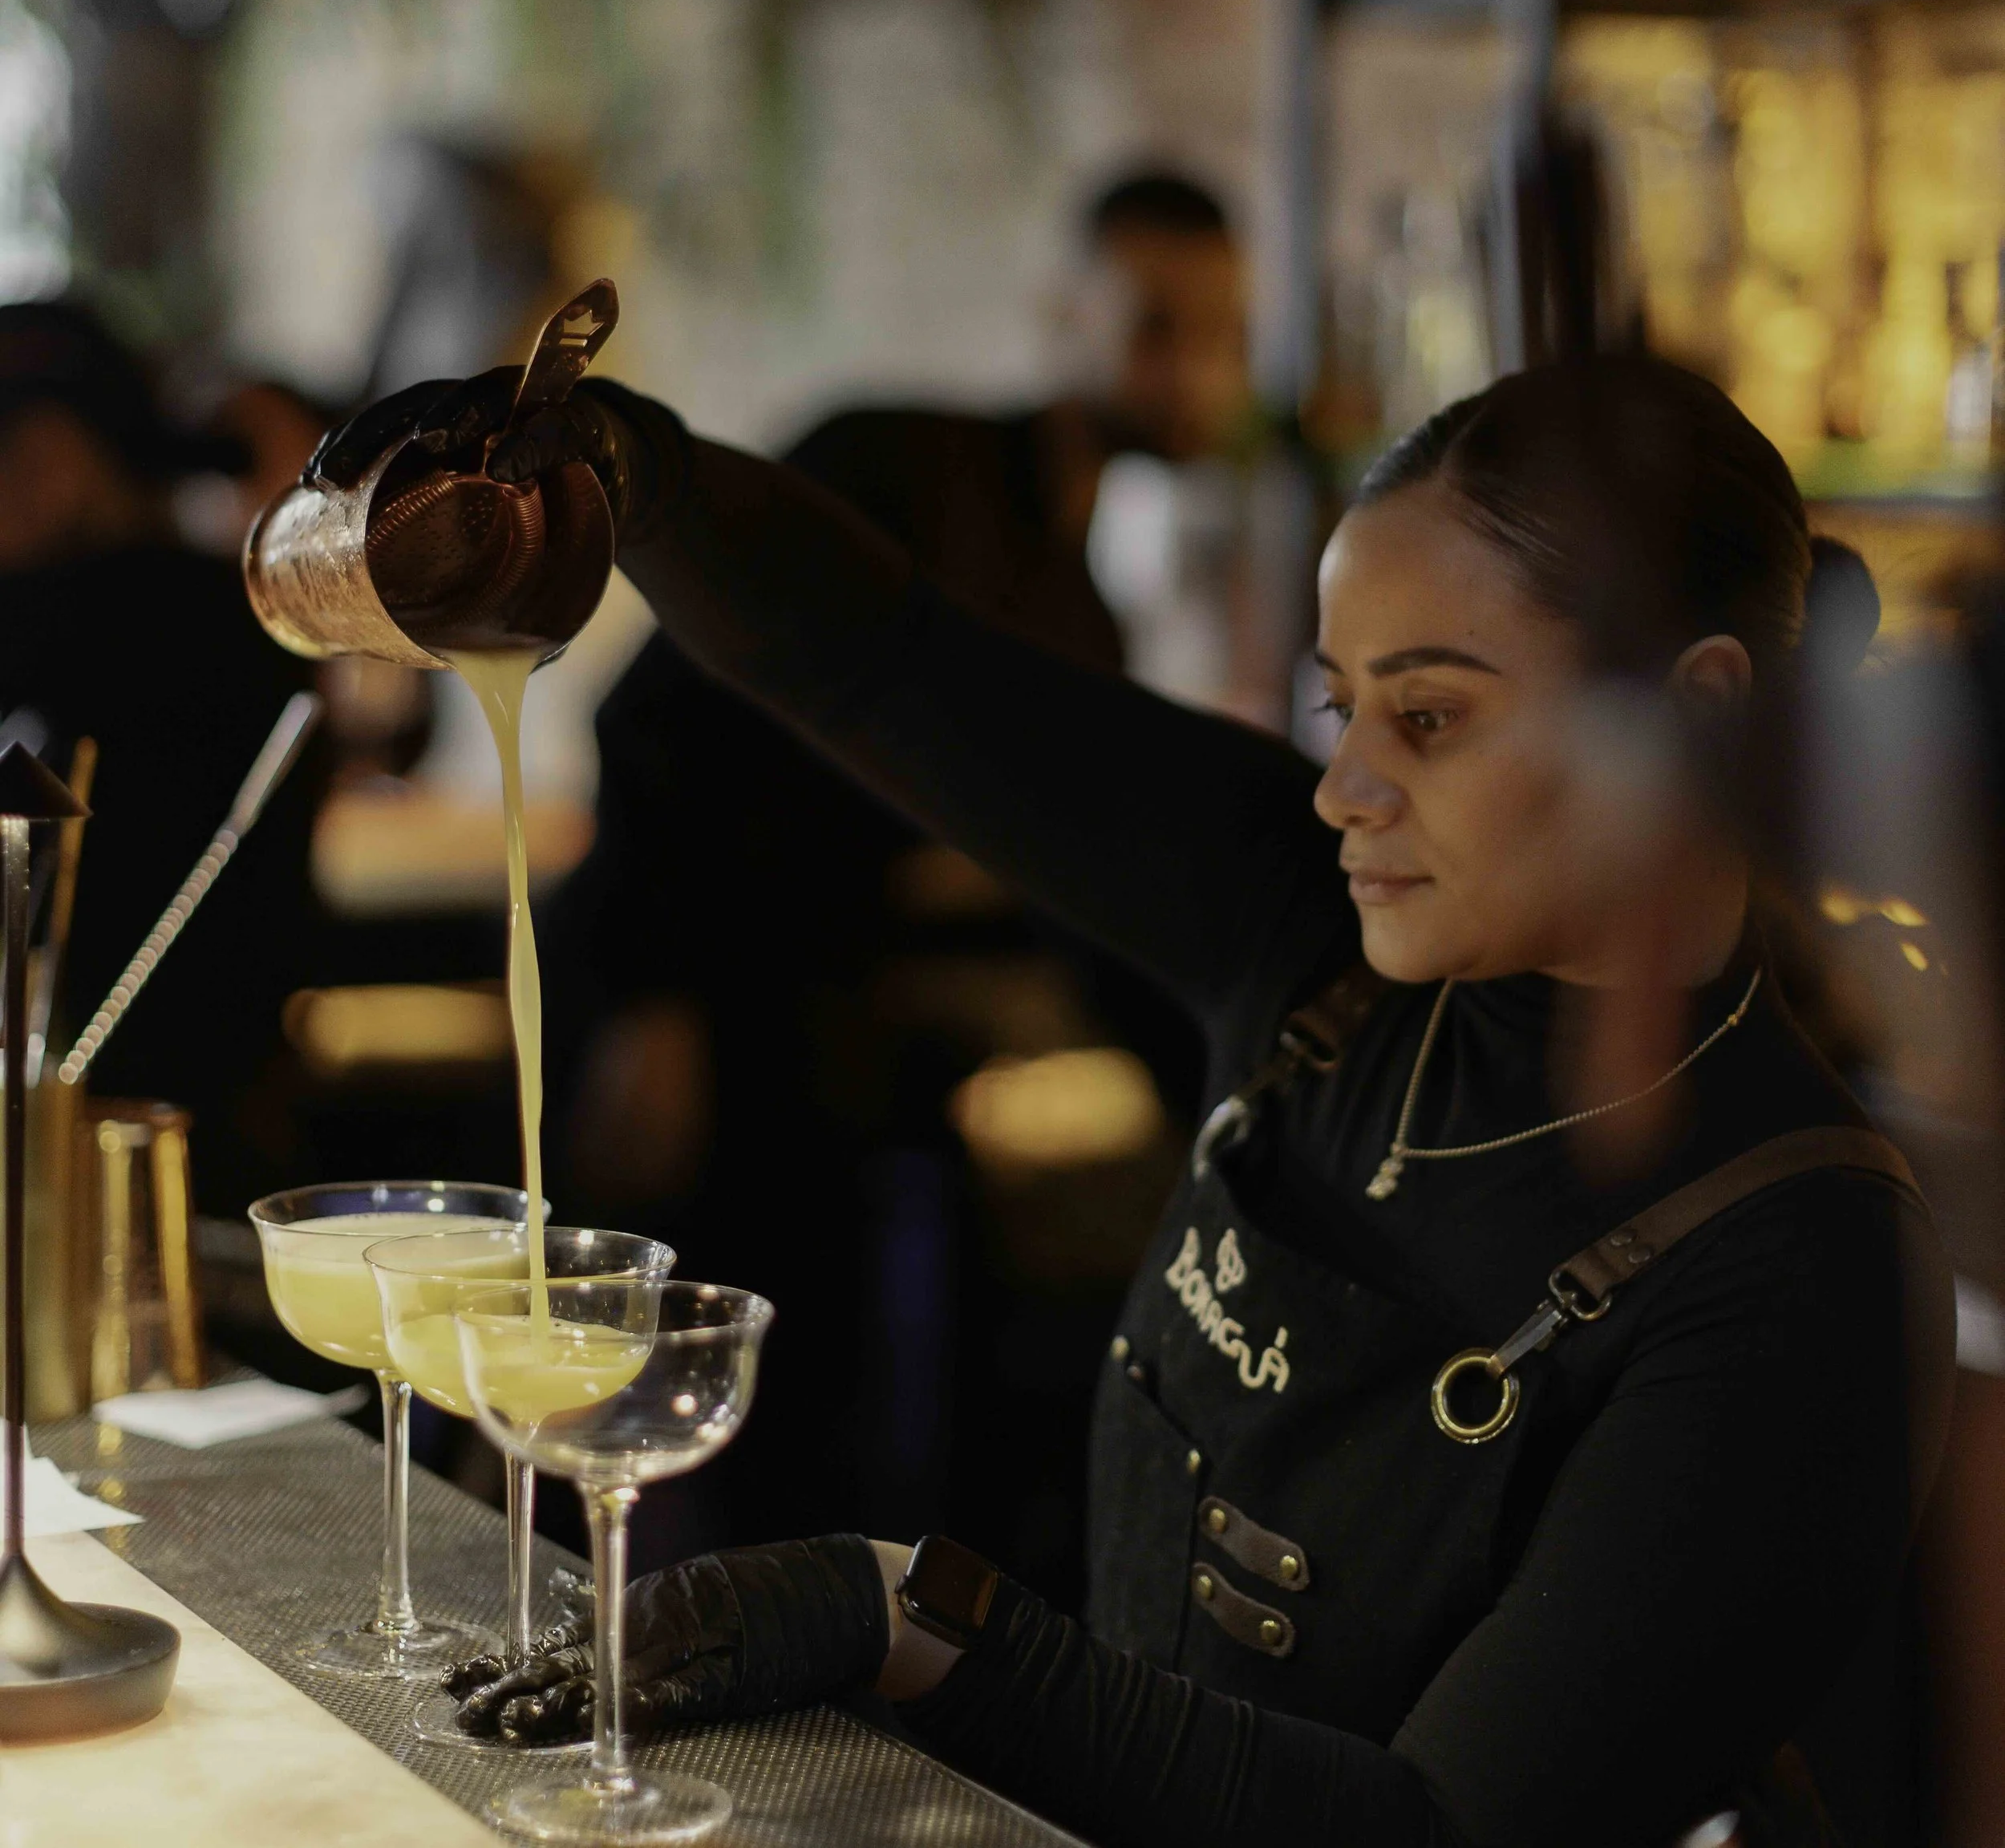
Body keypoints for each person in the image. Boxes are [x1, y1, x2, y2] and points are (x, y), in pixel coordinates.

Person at [311, 351, 1954, 1848]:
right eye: (1342, 704)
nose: (1342, 783)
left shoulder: (1798, 1259)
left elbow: (1426, 1826)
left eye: (1429, 715)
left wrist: (904, 1613)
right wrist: (617, 464)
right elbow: (887, 662)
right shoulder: (1312, 939)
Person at [538, 164, 1250, 1564]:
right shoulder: (890, 465)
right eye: (1158, 324)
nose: (1195, 371)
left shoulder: (1080, 606)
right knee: (608, 1431)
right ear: (1065, 315)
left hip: (831, 1054)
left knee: (810, 1453)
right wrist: (650, 1007)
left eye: (1222, 335)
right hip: (688, 997)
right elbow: (653, 719)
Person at [0, 302, 322, 1216]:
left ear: (50, 462)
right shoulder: (244, 622)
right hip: (216, 1141)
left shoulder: (88, 630)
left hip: (116, 1169)